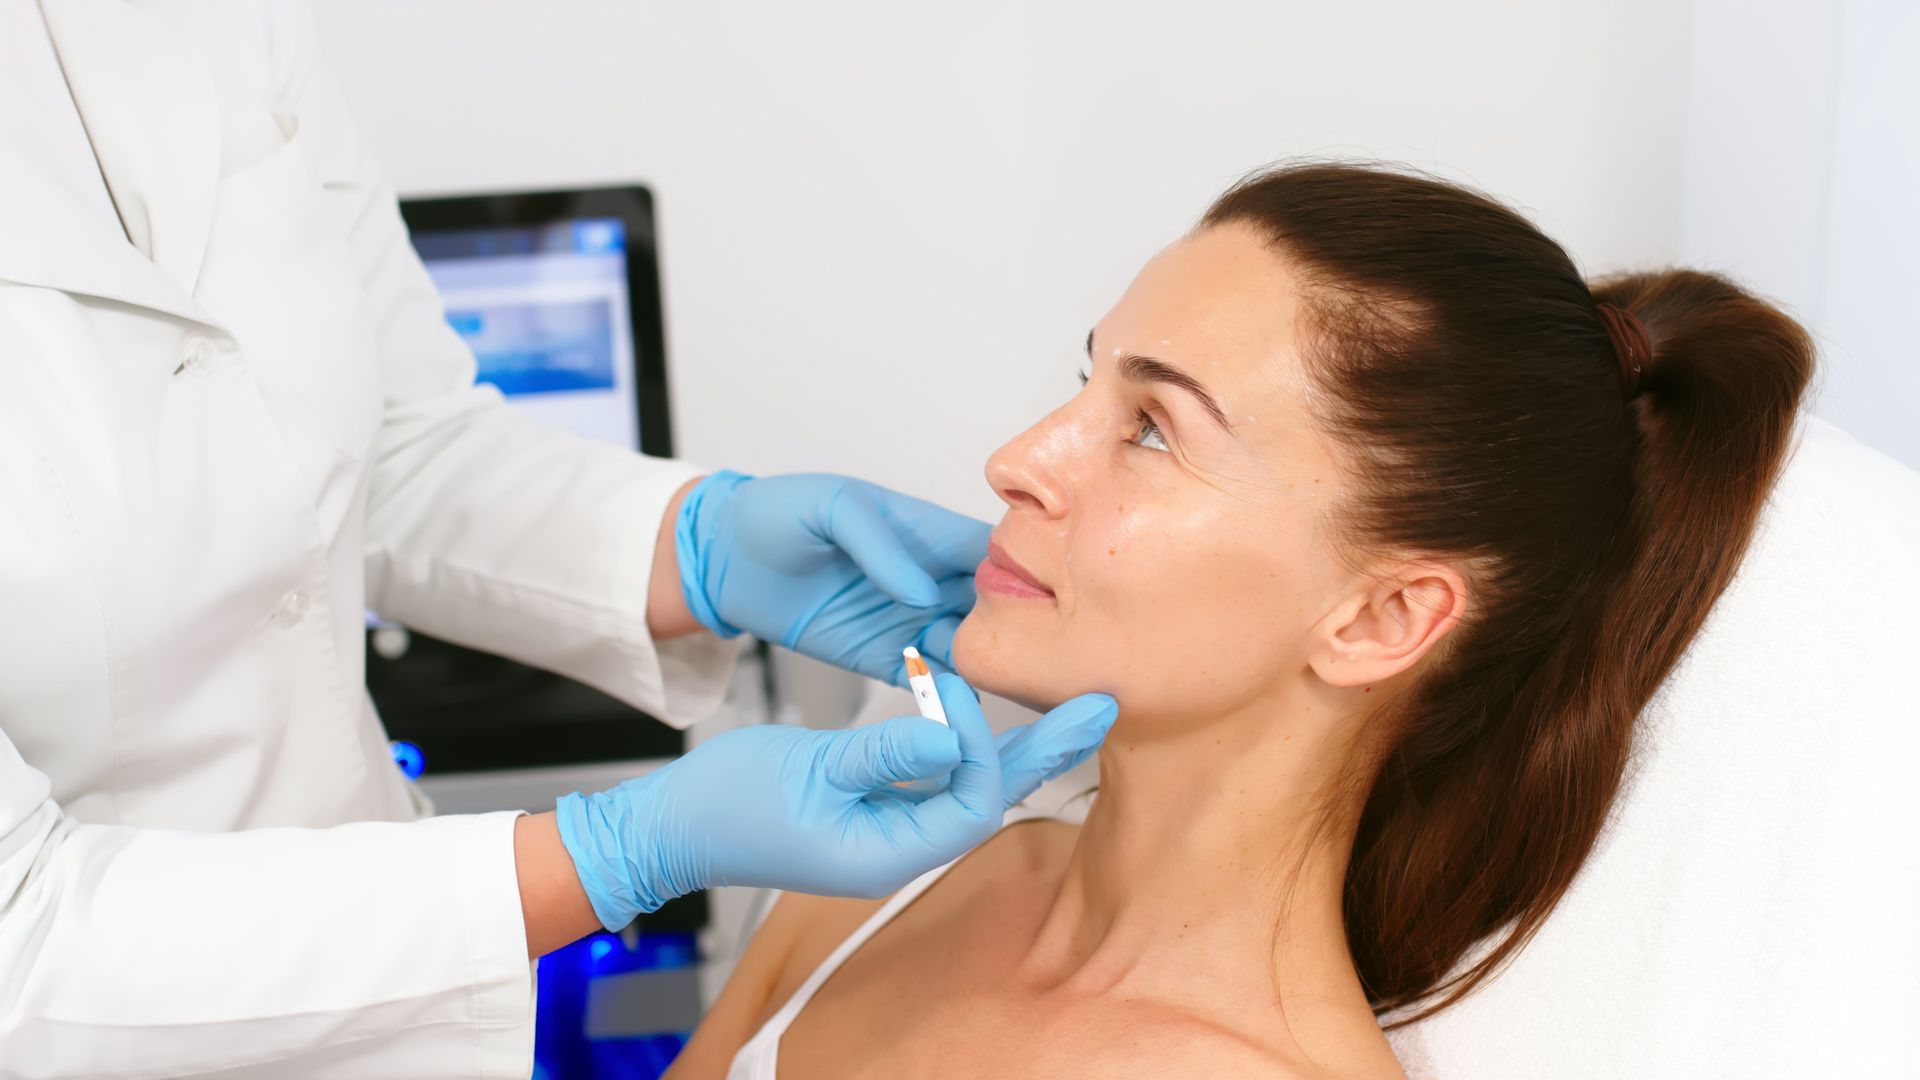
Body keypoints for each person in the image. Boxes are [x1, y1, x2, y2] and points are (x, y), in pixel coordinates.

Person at [0, 2, 1114, 1077]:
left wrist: (697, 546)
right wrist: (611, 855)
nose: (1018, 458)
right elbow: (24, 946)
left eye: (1156, 426)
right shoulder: (876, 926)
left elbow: (380, 442)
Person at [666, 162, 1815, 1079]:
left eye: (1155, 426)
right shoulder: (873, 886)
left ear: (1380, 617)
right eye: (1089, 383)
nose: (1017, 462)